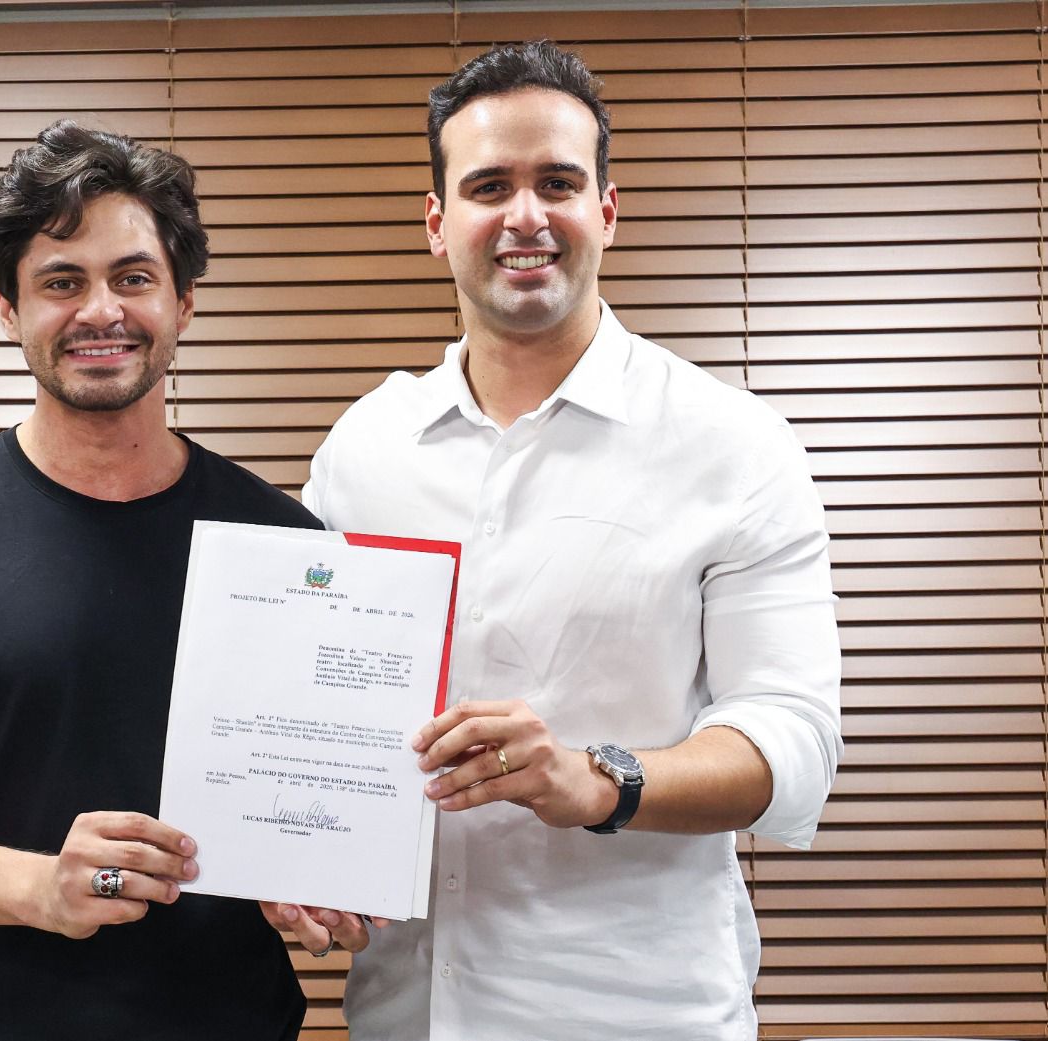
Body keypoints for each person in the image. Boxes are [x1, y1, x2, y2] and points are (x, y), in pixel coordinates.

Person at [274, 41, 844, 1040]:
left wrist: (597, 781)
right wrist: (300, 854)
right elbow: (319, 714)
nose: (525, 215)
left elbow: (794, 745)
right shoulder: (365, 448)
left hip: (639, 1016)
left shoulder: (733, 443)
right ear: (437, 223)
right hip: (406, 1011)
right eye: (489, 186)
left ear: (606, 211)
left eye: (558, 183)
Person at [0, 120, 315, 1040]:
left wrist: (318, 880)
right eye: (62, 282)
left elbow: (311, 794)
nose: (100, 311)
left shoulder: (284, 542)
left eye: (133, 277)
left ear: (185, 301)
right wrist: (39, 886)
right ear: (9, 309)